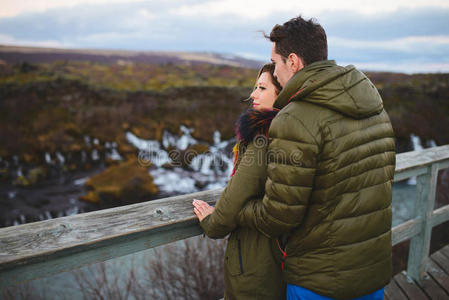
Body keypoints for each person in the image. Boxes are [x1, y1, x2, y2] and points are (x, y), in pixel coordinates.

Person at [231, 16, 395, 299]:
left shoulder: (296, 118)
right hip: (372, 276)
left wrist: (236, 211)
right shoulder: (375, 108)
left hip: (318, 282)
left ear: (292, 61)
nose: (276, 71)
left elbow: (278, 217)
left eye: (276, 61)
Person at [193, 63, 285, 300]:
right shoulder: (290, 133)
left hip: (256, 262)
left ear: (282, 93)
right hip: (278, 258)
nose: (253, 94)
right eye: (255, 87)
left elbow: (235, 197)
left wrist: (212, 223)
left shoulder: (263, 139)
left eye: (262, 88)